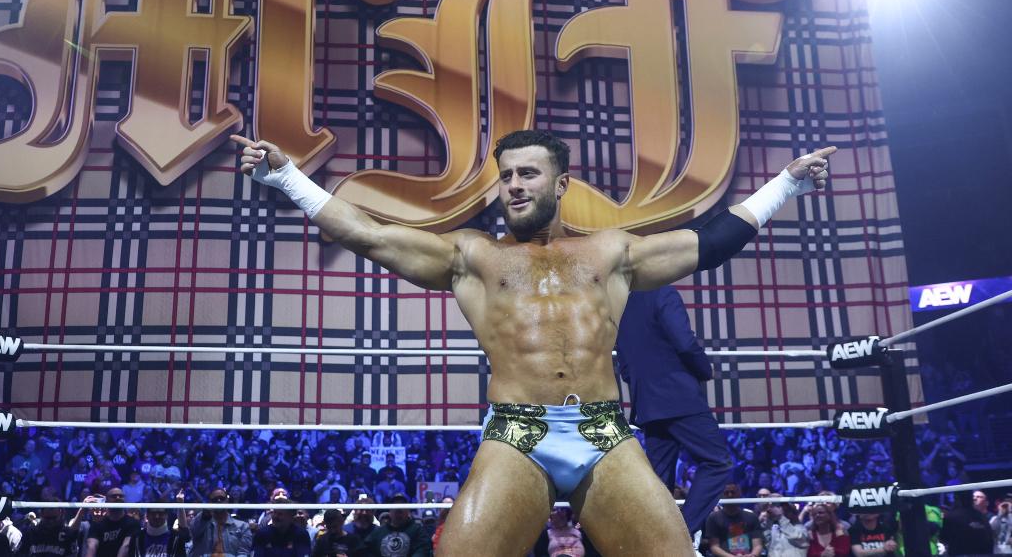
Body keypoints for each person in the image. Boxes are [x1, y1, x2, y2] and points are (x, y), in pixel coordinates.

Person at [234, 130, 834, 555]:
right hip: (517, 432)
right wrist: (286, 176)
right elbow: (368, 234)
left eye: (527, 173)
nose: (513, 186)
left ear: (561, 181)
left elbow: (709, 243)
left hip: (603, 430)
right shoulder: (474, 255)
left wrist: (787, 183)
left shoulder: (611, 253)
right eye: (506, 176)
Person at [615, 284, 731, 544]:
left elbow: (623, 364)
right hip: (679, 395)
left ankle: (653, 541)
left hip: (647, 402)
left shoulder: (620, 304)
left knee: (658, 478)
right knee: (717, 463)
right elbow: (685, 343)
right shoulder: (662, 293)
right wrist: (705, 370)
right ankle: (680, 533)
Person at [361, 494, 430, 557]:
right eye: (396, 509)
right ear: (390, 511)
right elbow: (366, 550)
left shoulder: (417, 530)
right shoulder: (379, 532)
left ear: (408, 511)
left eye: (401, 509)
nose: (398, 513)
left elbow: (422, 550)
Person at [188, 488, 251, 557]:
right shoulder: (201, 523)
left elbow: (243, 552)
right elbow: (192, 532)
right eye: (215, 499)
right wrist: (204, 515)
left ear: (227, 501)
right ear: (210, 503)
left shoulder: (242, 526)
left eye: (221, 498)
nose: (218, 501)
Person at [704, 484, 763, 557]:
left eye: (733, 492)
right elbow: (714, 547)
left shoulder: (751, 516)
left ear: (739, 494)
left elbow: (758, 545)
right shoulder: (713, 518)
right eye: (726, 492)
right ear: (721, 495)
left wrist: (753, 555)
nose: (730, 495)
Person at [83, 489, 137, 557]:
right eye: (114, 496)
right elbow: (91, 546)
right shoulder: (98, 523)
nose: (118, 498)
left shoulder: (132, 523)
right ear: (107, 501)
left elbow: (126, 546)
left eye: (121, 496)